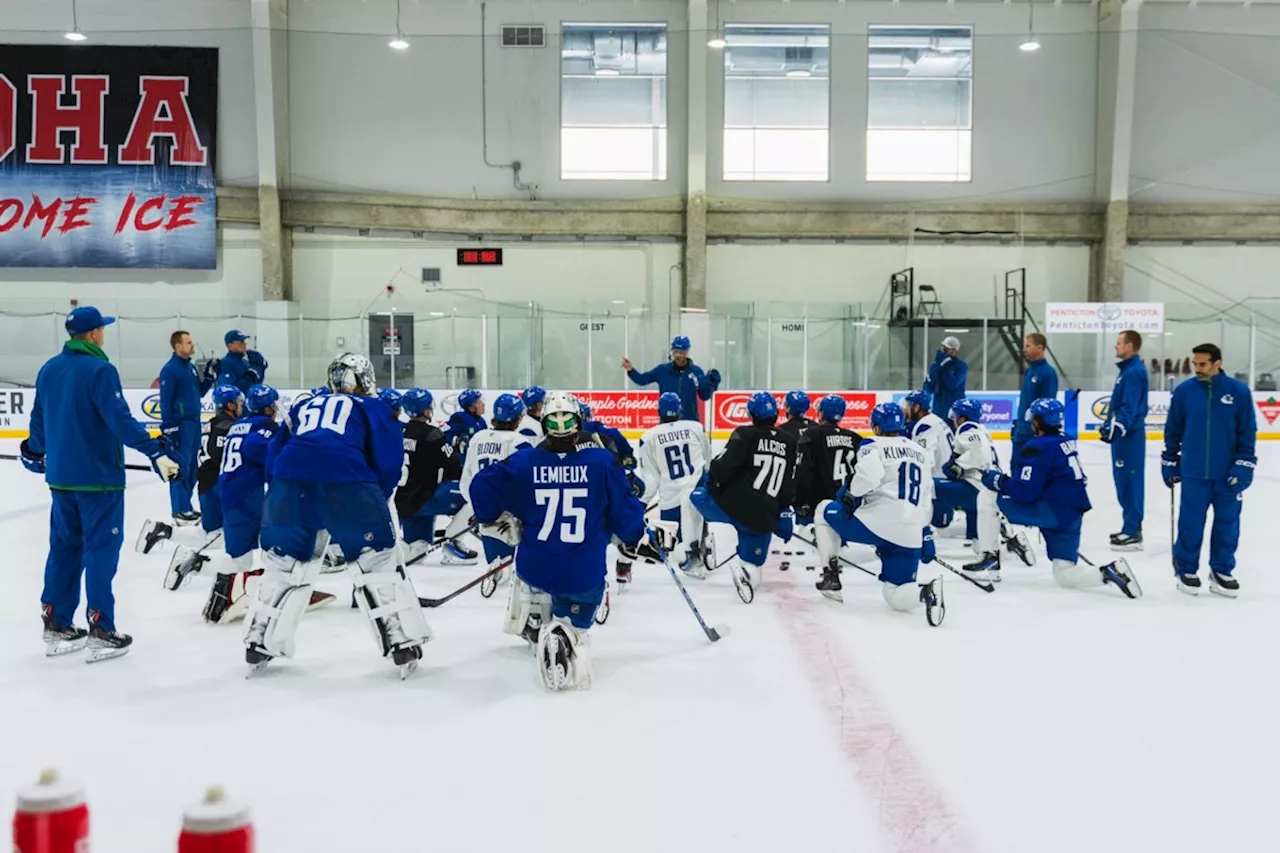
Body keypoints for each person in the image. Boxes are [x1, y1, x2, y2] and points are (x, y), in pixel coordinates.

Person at [243, 353, 429, 677]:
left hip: (288, 487)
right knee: (378, 563)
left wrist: (280, 497)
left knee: (281, 565)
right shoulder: (373, 407)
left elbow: (275, 454)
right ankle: (400, 641)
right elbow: (388, 461)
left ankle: (258, 639)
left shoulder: (303, 407)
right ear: (365, 380)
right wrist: (374, 501)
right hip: (348, 484)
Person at [20, 306, 179, 661]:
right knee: (100, 551)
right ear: (93, 334)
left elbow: (38, 426)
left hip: (61, 481)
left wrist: (33, 451)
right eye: (102, 329)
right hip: (98, 482)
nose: (104, 334)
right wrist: (154, 450)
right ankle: (101, 627)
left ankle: (57, 621)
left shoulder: (49, 369)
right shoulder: (100, 370)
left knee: (64, 549)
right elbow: (120, 421)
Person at [468, 391, 653, 690]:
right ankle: (567, 631)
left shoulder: (525, 461)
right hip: (583, 575)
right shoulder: (601, 462)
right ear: (578, 424)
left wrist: (493, 516)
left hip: (534, 569)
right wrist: (633, 536)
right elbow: (626, 516)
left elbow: (481, 486)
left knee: (532, 568)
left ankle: (533, 619)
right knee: (580, 604)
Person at [985, 399, 1141, 598]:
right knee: (1065, 575)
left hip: (1051, 512)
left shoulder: (1038, 446)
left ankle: (988, 557)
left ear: (1039, 422)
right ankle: (1109, 572)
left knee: (987, 501)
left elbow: (1025, 492)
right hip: (1072, 515)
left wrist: (998, 481)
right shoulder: (1066, 439)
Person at [811, 403, 943, 623]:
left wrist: (851, 495)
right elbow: (927, 495)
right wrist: (924, 532)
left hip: (877, 524)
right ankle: (924, 592)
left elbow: (867, 478)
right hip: (910, 533)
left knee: (823, 509)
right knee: (895, 594)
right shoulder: (919, 451)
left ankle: (830, 575)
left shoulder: (873, 444)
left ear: (876, 426)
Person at [1162, 343, 1257, 597]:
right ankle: (1186, 568)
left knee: (1228, 524)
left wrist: (1245, 464)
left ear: (1218, 363)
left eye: (1202, 364)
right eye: (1195, 363)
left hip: (1228, 474)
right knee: (1190, 523)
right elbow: (1173, 428)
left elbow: (1247, 432)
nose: (1197, 369)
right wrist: (1170, 459)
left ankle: (1221, 570)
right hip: (1193, 472)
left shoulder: (1238, 392)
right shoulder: (1184, 392)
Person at [685, 391, 798, 602]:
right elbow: (789, 483)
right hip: (763, 517)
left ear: (751, 413)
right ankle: (746, 572)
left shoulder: (745, 434)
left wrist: (712, 485)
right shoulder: (789, 441)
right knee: (754, 565)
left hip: (733, 506)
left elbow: (722, 466)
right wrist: (781, 511)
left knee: (693, 496)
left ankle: (693, 552)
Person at [157, 385, 243, 589]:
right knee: (240, 539)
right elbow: (226, 457)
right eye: (238, 403)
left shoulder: (211, 424)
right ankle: (202, 565)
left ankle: (164, 532)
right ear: (230, 405)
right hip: (220, 487)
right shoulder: (229, 426)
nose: (241, 406)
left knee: (211, 533)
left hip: (205, 485)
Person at [459, 393, 536, 585]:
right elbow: (527, 480)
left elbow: (467, 477)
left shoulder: (478, 437)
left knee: (496, 559)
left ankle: (498, 567)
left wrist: (477, 504)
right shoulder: (519, 442)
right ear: (518, 418)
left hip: (482, 505)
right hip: (509, 511)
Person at [396, 387, 477, 565]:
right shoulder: (432, 434)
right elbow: (453, 467)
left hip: (402, 502)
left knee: (417, 553)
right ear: (426, 410)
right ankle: (453, 544)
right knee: (476, 494)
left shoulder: (397, 431)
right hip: (425, 497)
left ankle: (388, 549)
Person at [635, 391, 712, 577]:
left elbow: (651, 480)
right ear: (680, 409)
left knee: (674, 545)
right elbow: (707, 462)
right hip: (698, 492)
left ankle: (690, 557)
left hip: (671, 500)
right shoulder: (695, 427)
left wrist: (639, 504)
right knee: (697, 522)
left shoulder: (649, 437)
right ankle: (701, 547)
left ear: (658, 411)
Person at [934, 398, 1002, 580]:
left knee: (931, 487)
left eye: (956, 416)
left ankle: (922, 534)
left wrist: (959, 465)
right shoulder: (981, 429)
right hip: (987, 485)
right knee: (981, 514)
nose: (954, 419)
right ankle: (994, 553)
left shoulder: (967, 428)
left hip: (979, 486)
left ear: (963, 417)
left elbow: (980, 455)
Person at [159, 330, 218, 526]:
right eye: (189, 342)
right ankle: (179, 509)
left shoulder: (190, 368)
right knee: (180, 467)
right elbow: (165, 401)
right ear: (178, 346)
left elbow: (199, 393)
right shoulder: (170, 370)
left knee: (193, 467)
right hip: (180, 425)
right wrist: (169, 428)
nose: (193, 345)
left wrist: (208, 379)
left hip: (194, 423)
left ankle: (186, 505)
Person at [1101, 330, 1149, 550]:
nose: (1116, 347)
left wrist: (1119, 427)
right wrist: (1109, 425)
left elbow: (1129, 405)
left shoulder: (1133, 372)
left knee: (1130, 482)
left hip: (1130, 437)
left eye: (1119, 343)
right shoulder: (1127, 371)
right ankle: (1129, 526)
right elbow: (1118, 404)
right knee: (1122, 481)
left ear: (1130, 346)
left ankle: (1133, 530)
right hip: (1124, 436)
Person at [794, 394, 862, 524]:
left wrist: (799, 501)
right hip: (847, 504)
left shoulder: (811, 435)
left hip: (820, 504)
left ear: (821, 413)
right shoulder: (855, 438)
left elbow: (803, 472)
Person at [622, 336, 721, 421]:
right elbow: (642, 380)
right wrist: (631, 370)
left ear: (687, 351)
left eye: (682, 352)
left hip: (690, 421)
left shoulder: (696, 371)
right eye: (676, 352)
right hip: (667, 422)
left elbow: (704, 395)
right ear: (672, 351)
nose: (678, 355)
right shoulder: (662, 370)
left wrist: (712, 383)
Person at [902, 390, 955, 529]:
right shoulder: (934, 419)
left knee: (938, 525)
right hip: (945, 477)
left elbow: (925, 458)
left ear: (917, 407)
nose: (905, 409)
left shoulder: (926, 425)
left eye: (908, 405)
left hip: (939, 483)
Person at [1011, 333, 1058, 462]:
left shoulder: (1048, 373)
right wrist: (1018, 425)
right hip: (1021, 432)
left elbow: (1048, 405)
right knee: (1016, 468)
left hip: (1034, 435)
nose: (1024, 349)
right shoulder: (1029, 371)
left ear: (1039, 348)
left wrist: (1040, 432)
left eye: (1028, 346)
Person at [922, 336, 967, 423]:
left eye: (946, 349)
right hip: (938, 410)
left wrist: (945, 367)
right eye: (943, 347)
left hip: (955, 412)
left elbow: (952, 384)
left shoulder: (961, 366)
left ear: (955, 351)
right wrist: (930, 379)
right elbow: (928, 389)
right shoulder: (935, 366)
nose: (943, 351)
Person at [580, 402, 636, 468]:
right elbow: (614, 434)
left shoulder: (569, 433)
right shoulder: (594, 427)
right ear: (583, 415)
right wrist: (627, 454)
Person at [215, 330, 268, 395]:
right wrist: (253, 372)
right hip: (237, 404)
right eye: (240, 342)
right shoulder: (225, 363)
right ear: (230, 345)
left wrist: (260, 367)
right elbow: (233, 390)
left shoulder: (245, 361)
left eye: (244, 341)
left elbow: (256, 383)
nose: (244, 344)